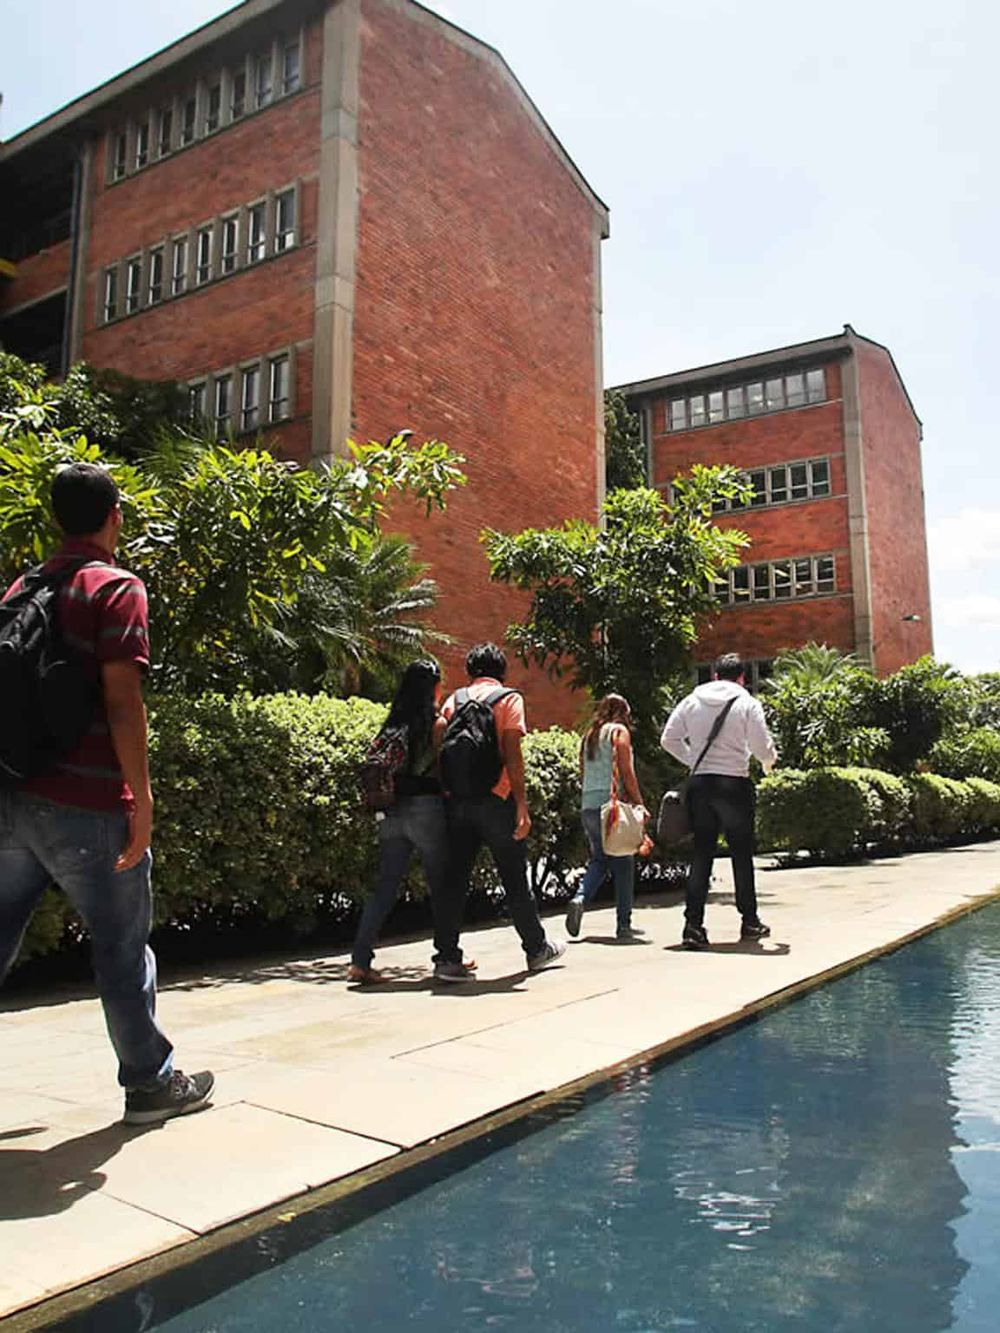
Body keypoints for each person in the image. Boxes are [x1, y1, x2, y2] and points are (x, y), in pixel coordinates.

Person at [0, 463, 214, 1125]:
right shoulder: (115, 587)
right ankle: (150, 1082)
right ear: (114, 514)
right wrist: (140, 800)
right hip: (88, 806)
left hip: (12, 799)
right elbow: (123, 702)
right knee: (121, 945)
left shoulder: (21, 586)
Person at [432, 642, 565, 981]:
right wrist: (520, 802)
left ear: (470, 671)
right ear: (501, 670)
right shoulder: (508, 699)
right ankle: (536, 949)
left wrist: (447, 788)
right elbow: (512, 752)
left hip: (458, 801)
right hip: (496, 798)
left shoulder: (455, 700)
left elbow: (438, 739)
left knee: (454, 880)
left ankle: (447, 958)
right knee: (514, 878)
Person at [349, 659, 468, 983]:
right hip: (426, 808)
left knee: (385, 886)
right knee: (442, 885)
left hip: (391, 810)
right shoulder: (435, 723)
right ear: (433, 687)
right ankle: (448, 958)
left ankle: (360, 961)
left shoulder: (392, 724)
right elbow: (445, 770)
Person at [660, 653, 778, 951]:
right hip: (734, 783)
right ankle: (749, 921)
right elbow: (761, 745)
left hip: (701, 784)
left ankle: (693, 926)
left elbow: (669, 738)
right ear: (742, 678)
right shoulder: (747, 702)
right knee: (741, 854)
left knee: (702, 853)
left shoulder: (692, 700)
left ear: (714, 676)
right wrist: (768, 761)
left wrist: (695, 762)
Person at [565, 694, 648, 941]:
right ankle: (624, 925)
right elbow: (626, 770)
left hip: (588, 805)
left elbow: (583, 769)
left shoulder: (589, 734)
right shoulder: (618, 732)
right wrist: (639, 803)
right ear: (622, 713)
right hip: (610, 807)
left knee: (600, 859)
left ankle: (580, 898)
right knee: (623, 863)